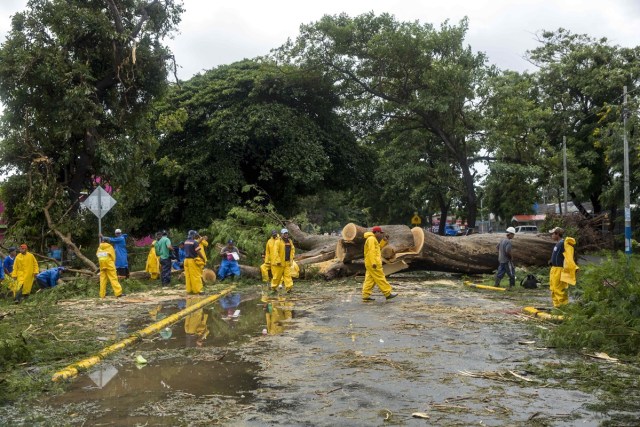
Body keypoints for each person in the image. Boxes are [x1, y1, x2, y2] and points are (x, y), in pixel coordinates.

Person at [362, 226, 397, 302]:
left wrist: (384, 241)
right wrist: (373, 263)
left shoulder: (372, 239)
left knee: (369, 280)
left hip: (369, 263)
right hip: (373, 263)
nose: (381, 234)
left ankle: (365, 295)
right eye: (380, 233)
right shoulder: (371, 239)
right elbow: (371, 251)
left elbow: (377, 248)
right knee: (380, 278)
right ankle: (387, 293)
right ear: (376, 232)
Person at [548, 227, 578, 307]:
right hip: (554, 269)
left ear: (557, 234)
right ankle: (557, 306)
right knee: (553, 288)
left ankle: (563, 307)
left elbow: (569, 255)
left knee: (559, 289)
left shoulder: (563, 243)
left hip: (559, 270)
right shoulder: (558, 243)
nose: (551, 235)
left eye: (553, 234)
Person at [270, 229, 295, 293]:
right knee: (277, 276)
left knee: (288, 276)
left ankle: (289, 289)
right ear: (281, 234)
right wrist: (278, 261)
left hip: (287, 262)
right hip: (280, 263)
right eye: (284, 233)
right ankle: (273, 287)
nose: (286, 234)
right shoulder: (278, 241)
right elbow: (275, 252)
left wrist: (291, 258)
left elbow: (292, 250)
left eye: (287, 233)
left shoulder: (290, 241)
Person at [183, 230, 205, 294]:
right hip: (192, 261)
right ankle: (198, 290)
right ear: (193, 235)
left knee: (188, 276)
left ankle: (189, 290)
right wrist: (202, 258)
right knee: (195, 276)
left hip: (186, 260)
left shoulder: (186, 242)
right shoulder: (194, 242)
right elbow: (198, 251)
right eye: (195, 235)